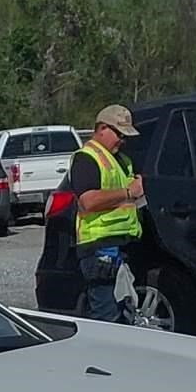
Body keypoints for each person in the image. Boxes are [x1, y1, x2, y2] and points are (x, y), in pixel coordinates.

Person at [66, 104, 147, 322]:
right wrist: (129, 192)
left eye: (126, 136)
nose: (122, 140)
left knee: (122, 315)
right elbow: (88, 201)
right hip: (99, 247)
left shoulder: (122, 160)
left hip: (121, 246)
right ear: (102, 128)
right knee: (106, 316)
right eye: (119, 134)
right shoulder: (86, 158)